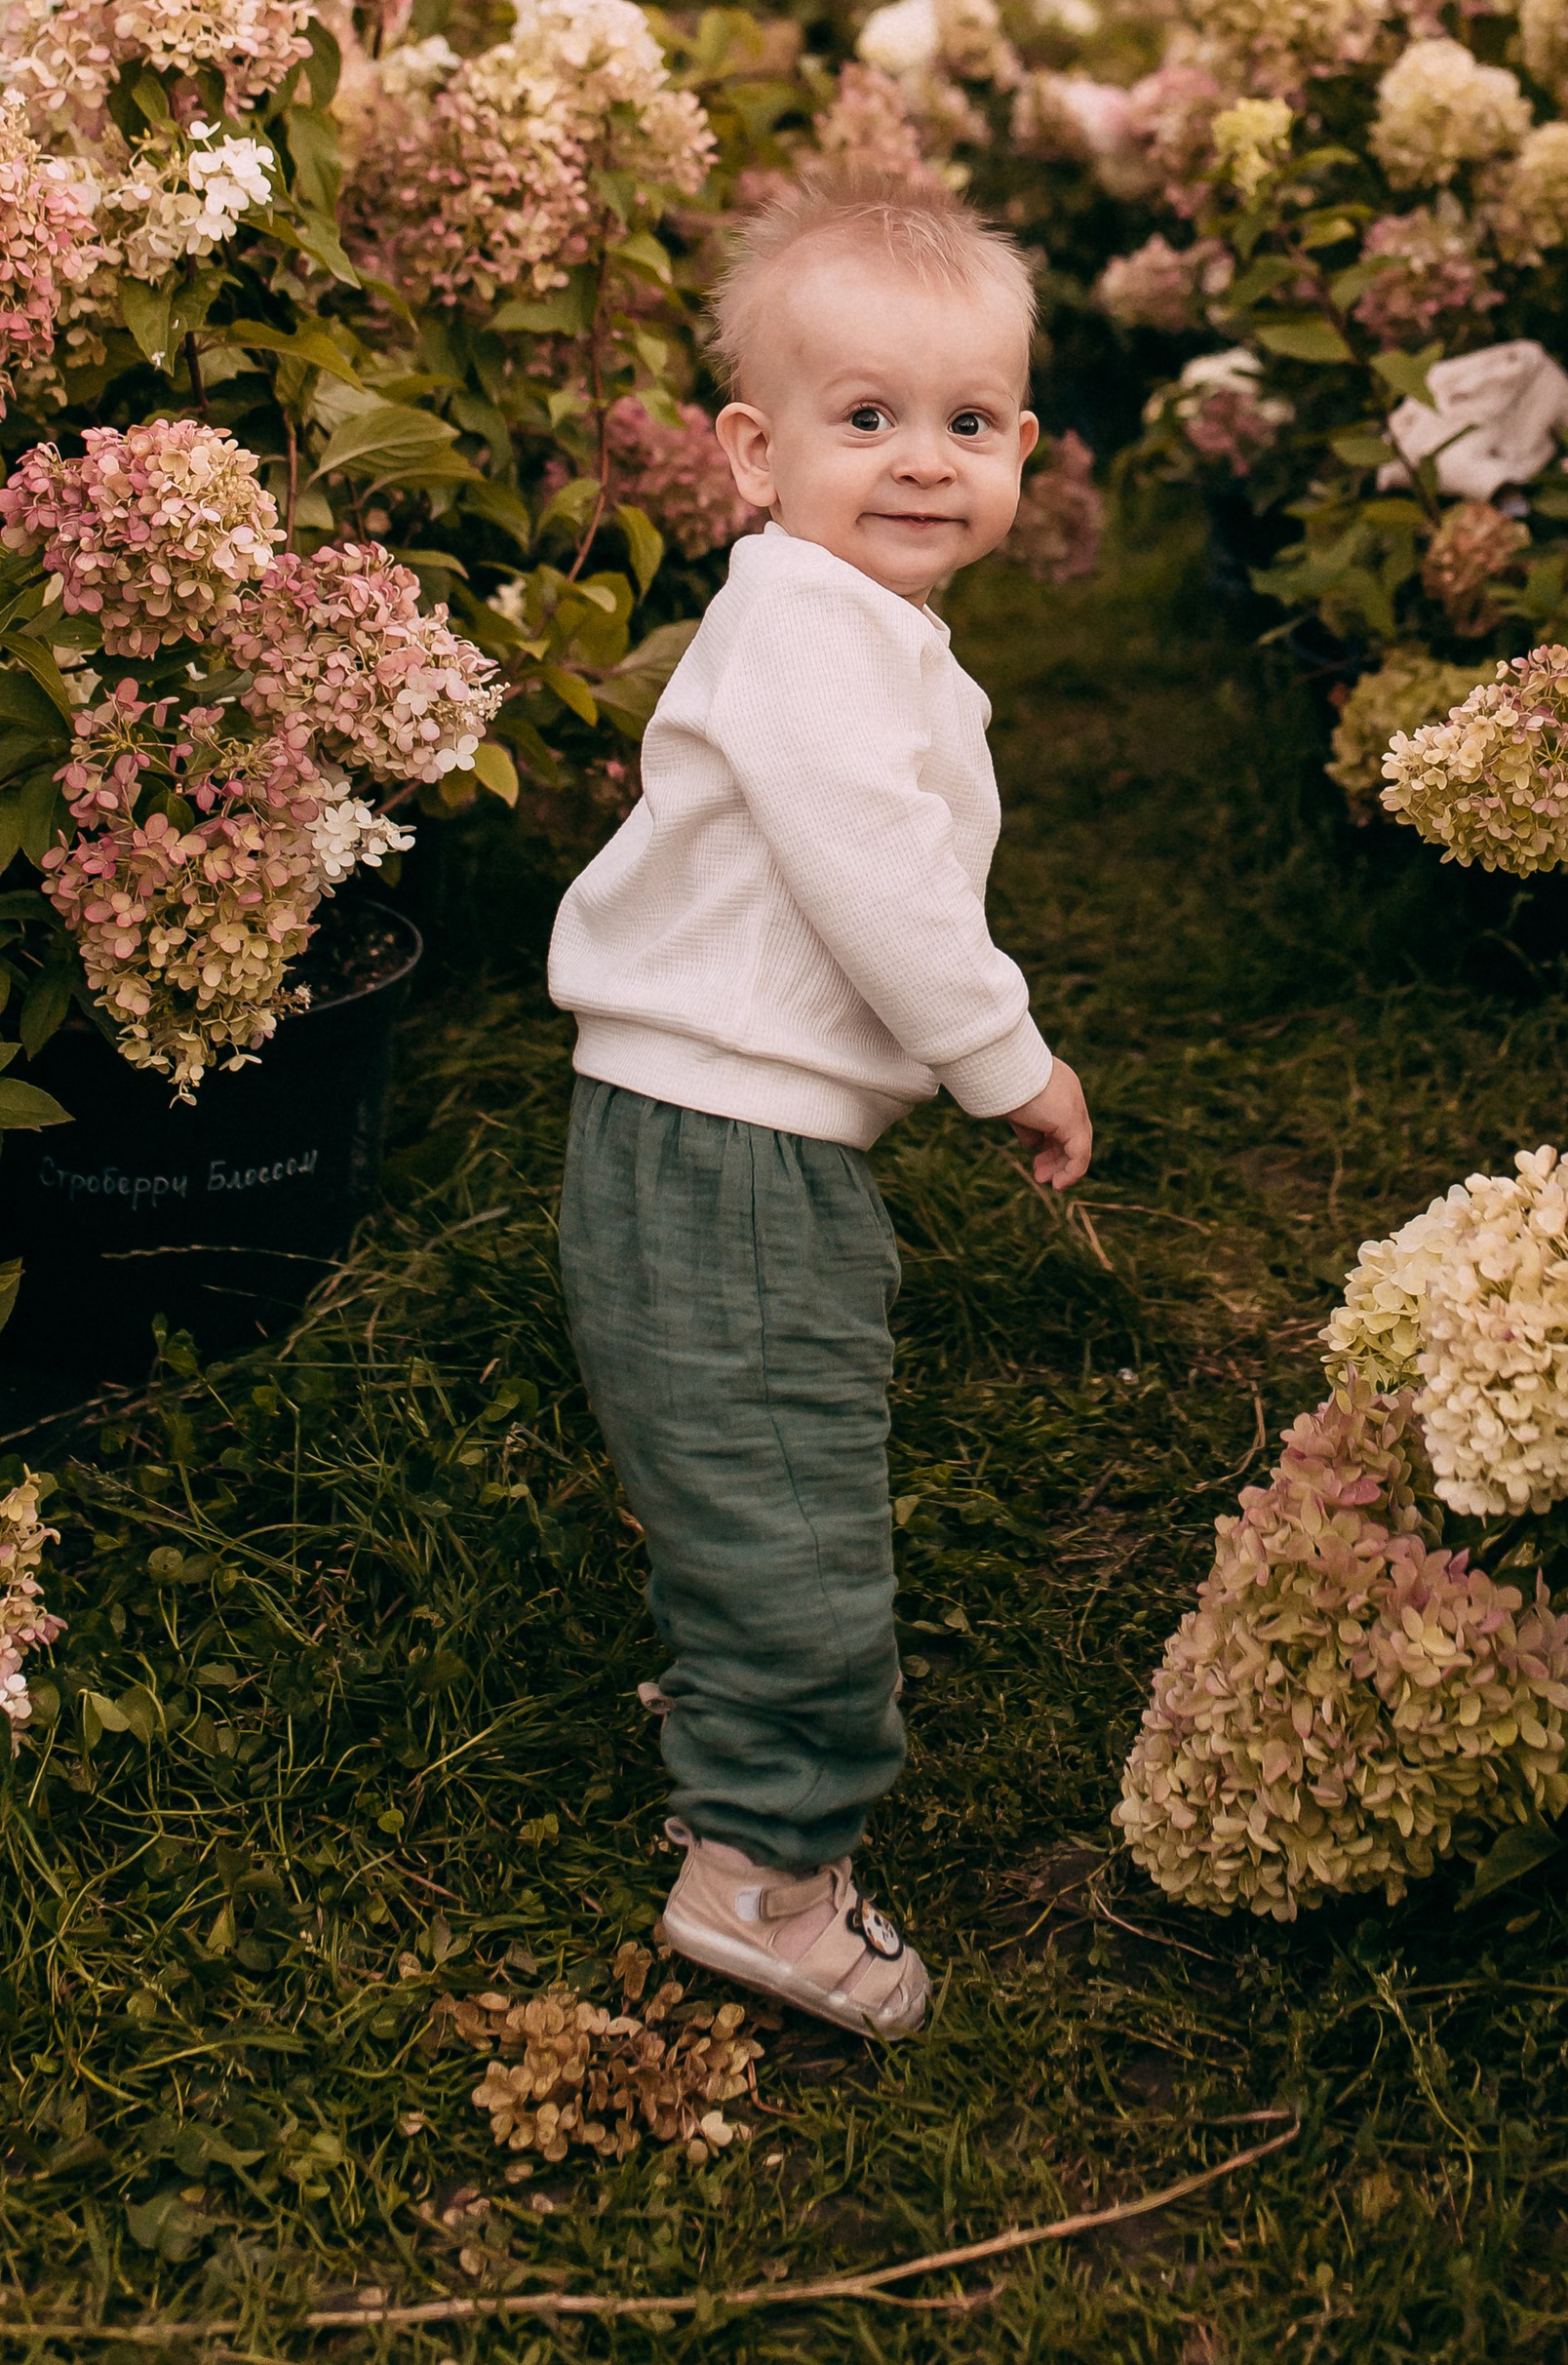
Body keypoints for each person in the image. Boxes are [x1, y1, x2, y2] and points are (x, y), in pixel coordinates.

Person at [548, 157, 1093, 2042]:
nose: (923, 460)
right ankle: (764, 1871)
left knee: (739, 1462)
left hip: (709, 1128)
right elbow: (876, 867)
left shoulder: (847, 621)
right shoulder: (804, 622)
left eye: (964, 422)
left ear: (1023, 444)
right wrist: (1005, 1057)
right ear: (755, 454)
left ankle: (736, 1683)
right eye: (866, 420)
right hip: (733, 1152)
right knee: (795, 1498)